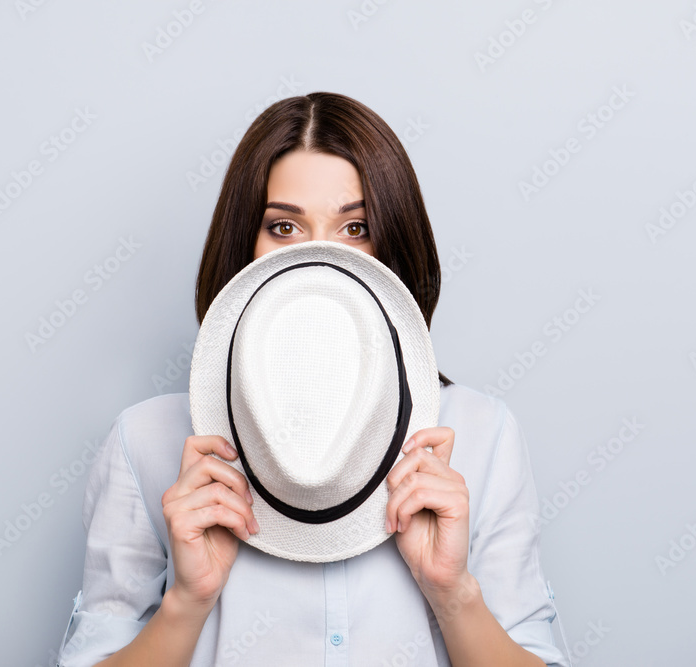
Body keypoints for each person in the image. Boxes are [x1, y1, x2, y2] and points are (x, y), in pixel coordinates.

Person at [57, 92, 570, 667]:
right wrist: (187, 602)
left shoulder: (482, 434)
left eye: (356, 227)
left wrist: (453, 595)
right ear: (243, 249)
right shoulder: (146, 441)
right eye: (283, 226)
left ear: (395, 248)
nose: (321, 258)